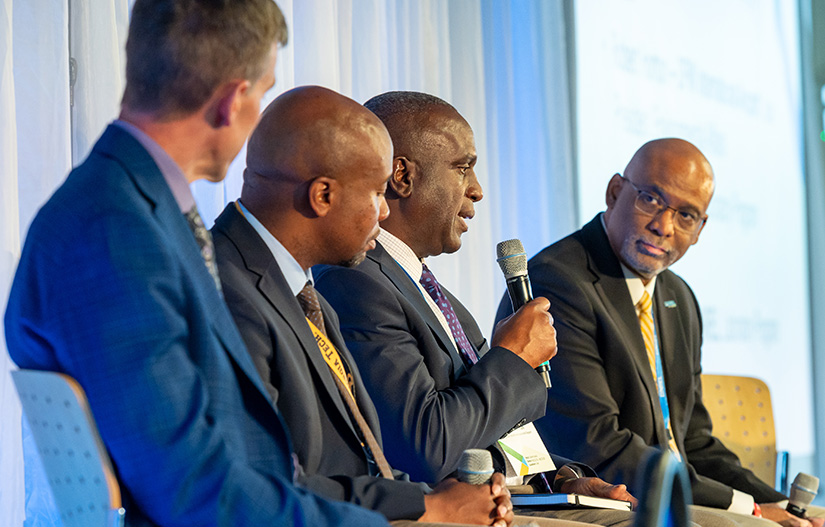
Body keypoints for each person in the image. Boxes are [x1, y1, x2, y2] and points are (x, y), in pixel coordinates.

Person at [4, 2, 388, 526]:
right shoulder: (114, 231)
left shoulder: (137, 208)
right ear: (233, 100)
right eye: (265, 92)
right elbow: (192, 492)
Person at [211, 85, 550, 527]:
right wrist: (429, 508)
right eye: (375, 193)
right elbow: (257, 484)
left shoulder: (302, 290)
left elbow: (363, 456)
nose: (385, 212)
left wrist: (555, 478)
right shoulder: (235, 287)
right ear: (323, 196)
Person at [313, 91, 650, 527]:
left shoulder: (434, 295)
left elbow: (491, 426)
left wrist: (561, 480)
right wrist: (512, 358)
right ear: (401, 175)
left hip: (513, 498)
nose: (477, 189)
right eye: (462, 167)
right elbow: (426, 446)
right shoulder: (356, 283)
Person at [493, 138, 823, 527]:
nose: (663, 226)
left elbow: (694, 442)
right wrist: (748, 509)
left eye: (686, 215)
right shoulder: (560, 282)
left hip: (667, 489)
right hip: (596, 492)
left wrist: (777, 503)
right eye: (650, 199)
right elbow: (596, 444)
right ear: (615, 192)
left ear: (700, 229)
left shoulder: (677, 296)